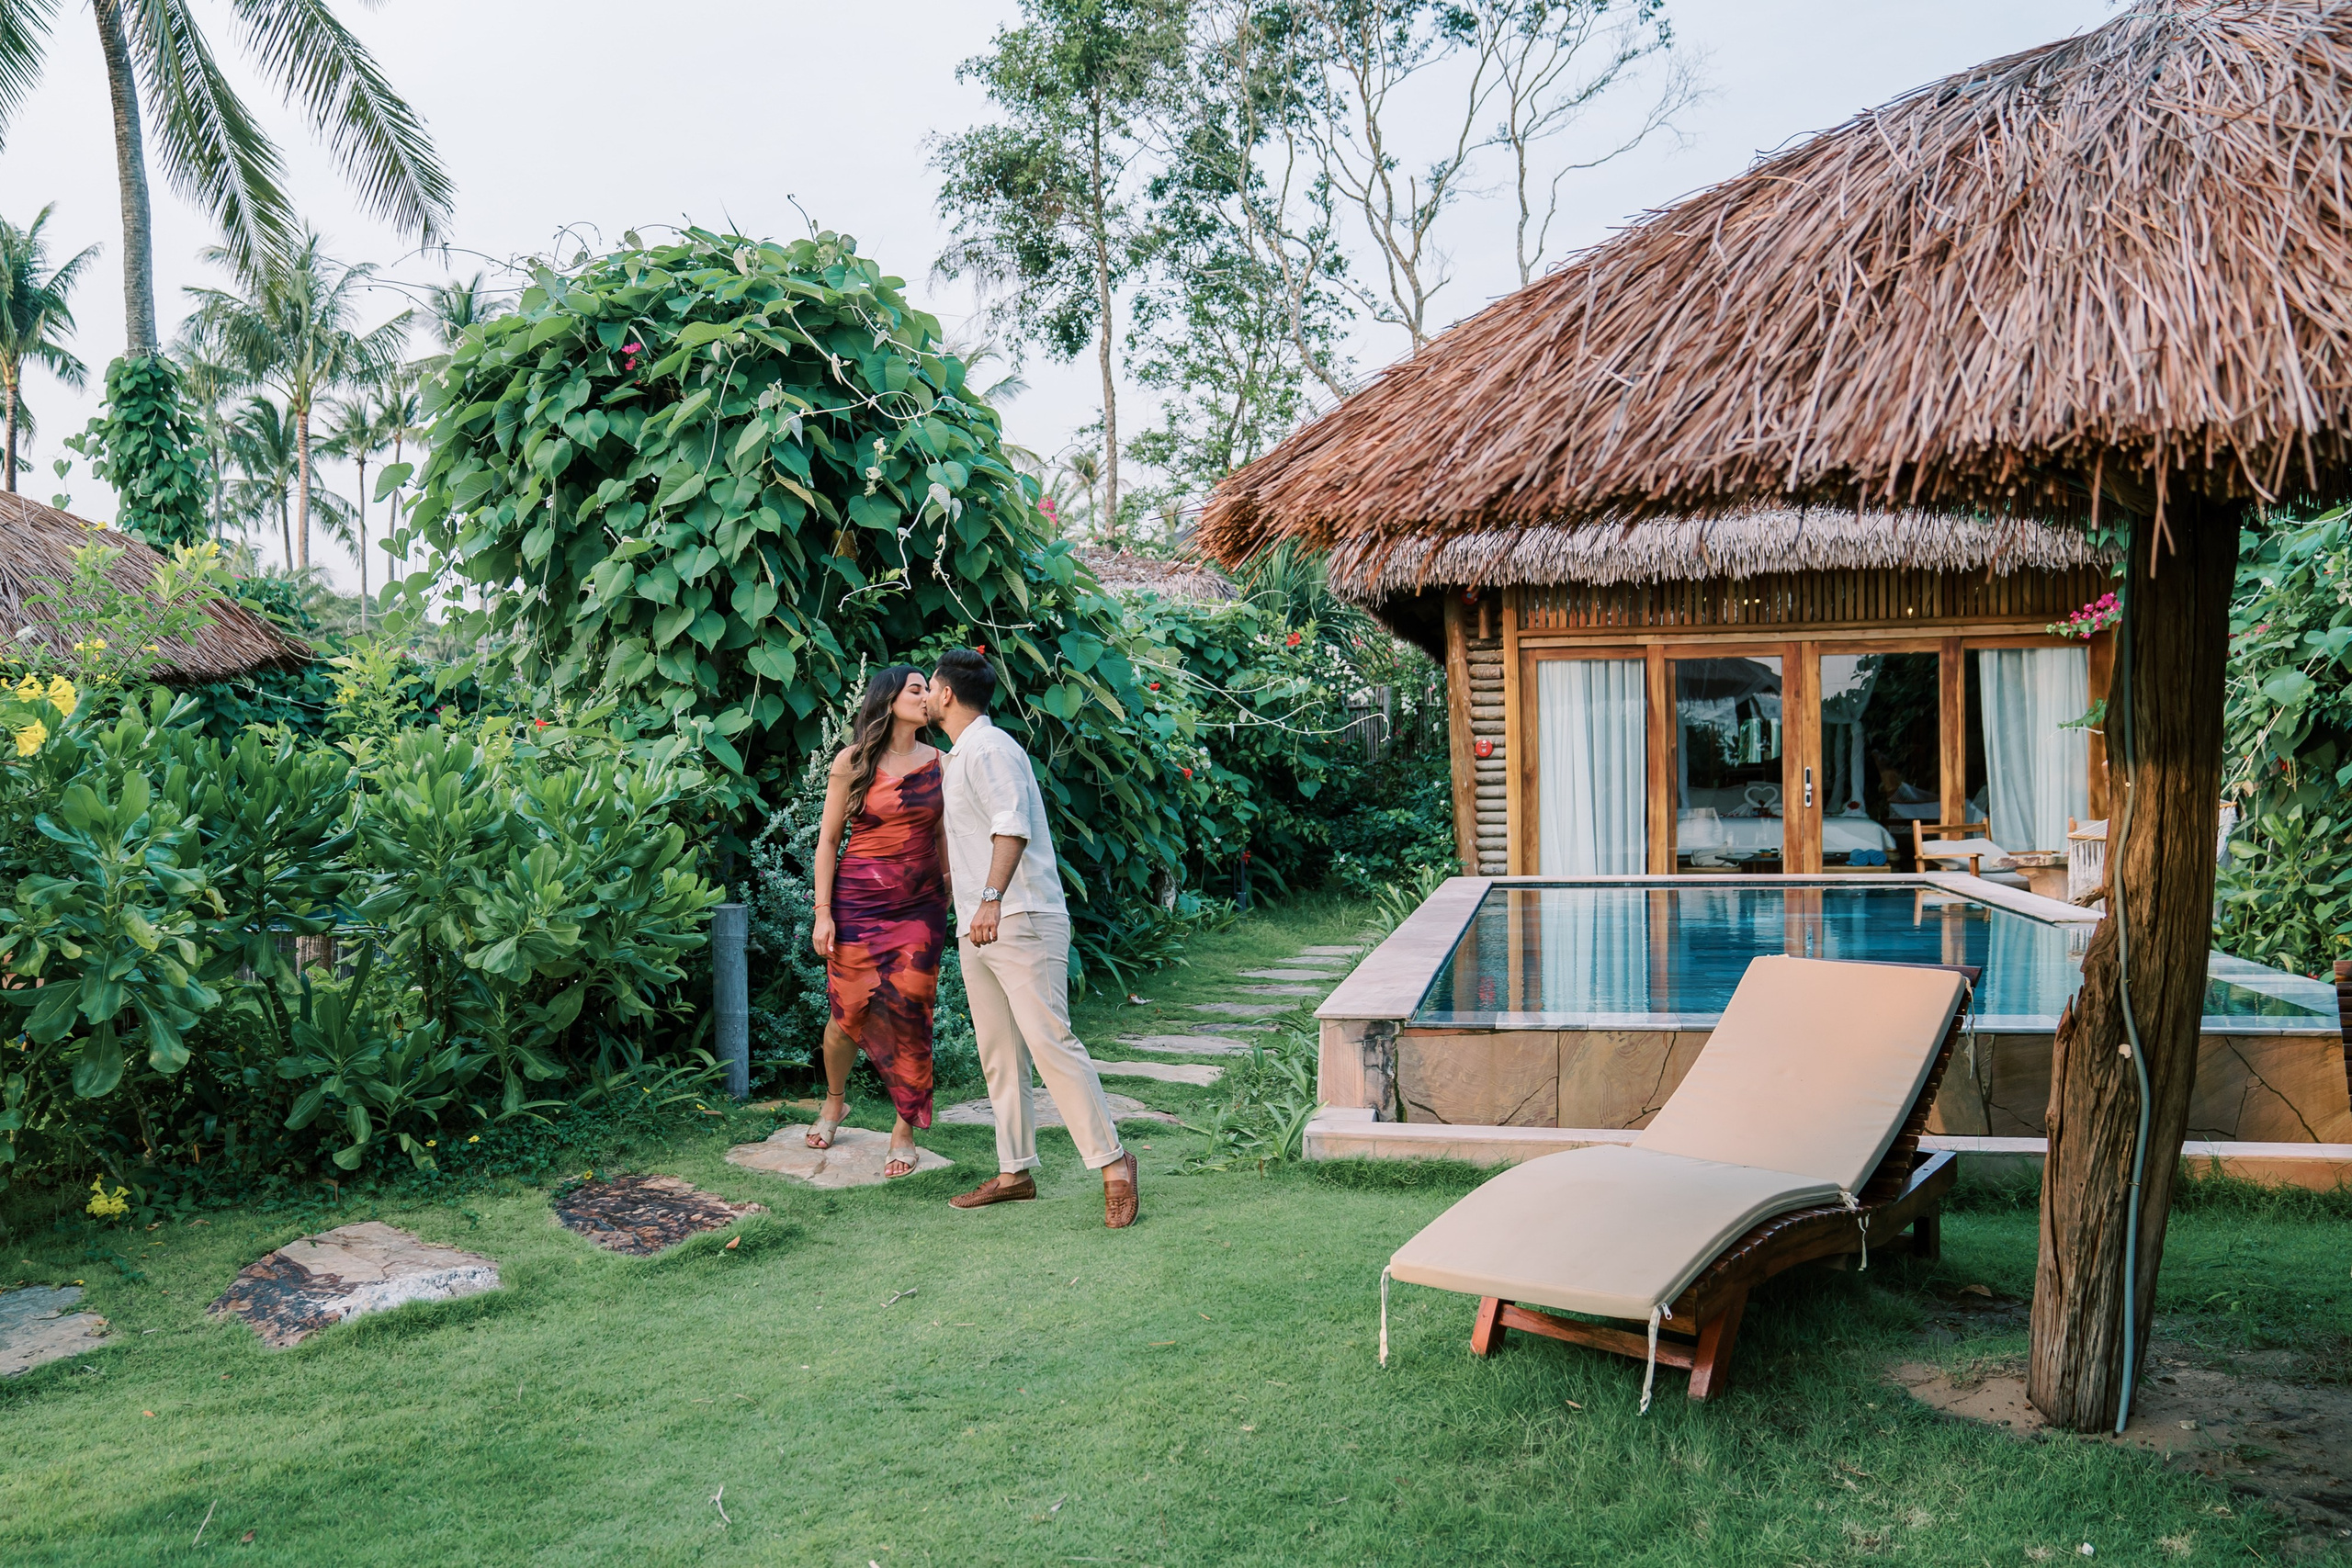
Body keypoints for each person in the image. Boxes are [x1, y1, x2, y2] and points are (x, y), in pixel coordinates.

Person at [925, 647, 1138, 1228]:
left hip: (1019, 918)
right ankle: (1014, 1172)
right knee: (999, 1052)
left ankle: (1114, 1163)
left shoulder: (991, 750)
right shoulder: (965, 753)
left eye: (930, 688)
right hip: (981, 926)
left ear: (947, 693)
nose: (924, 696)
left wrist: (991, 899)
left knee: (1049, 1042)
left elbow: (1010, 827)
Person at [808, 664, 950, 1178]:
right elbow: (828, 841)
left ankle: (903, 1127)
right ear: (889, 699)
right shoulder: (853, 761)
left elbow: (942, 837)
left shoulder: (944, 764)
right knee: (847, 1015)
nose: (926, 696)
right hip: (856, 905)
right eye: (916, 689)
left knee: (911, 1015)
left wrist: (952, 890)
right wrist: (823, 913)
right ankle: (834, 1101)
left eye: (928, 690)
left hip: (920, 908)